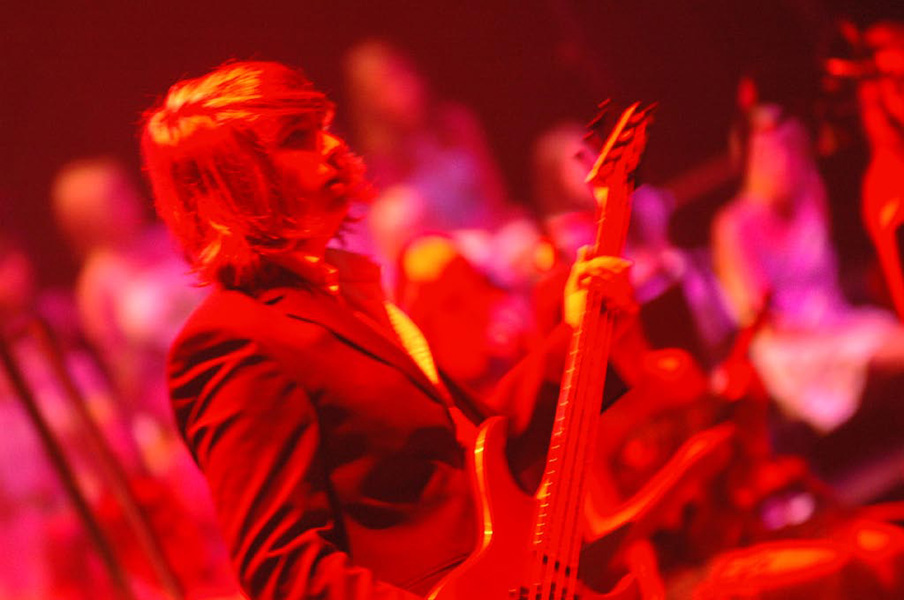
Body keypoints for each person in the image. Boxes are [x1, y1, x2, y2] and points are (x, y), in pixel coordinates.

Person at [141, 60, 635, 600]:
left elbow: (478, 452)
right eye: (298, 138)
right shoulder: (232, 339)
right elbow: (284, 568)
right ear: (240, 182)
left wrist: (581, 335)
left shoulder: (344, 294)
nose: (333, 146)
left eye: (323, 126)